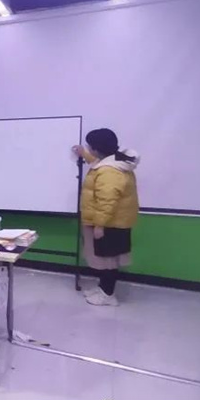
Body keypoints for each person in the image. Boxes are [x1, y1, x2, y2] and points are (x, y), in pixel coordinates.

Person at [73, 128, 140, 306]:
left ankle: (108, 295)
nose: (89, 148)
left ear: (97, 149)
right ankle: (103, 288)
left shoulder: (109, 171)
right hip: (114, 221)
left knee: (109, 261)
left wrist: (99, 225)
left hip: (110, 223)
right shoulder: (114, 161)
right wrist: (84, 154)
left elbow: (107, 201)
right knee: (105, 259)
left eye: (89, 146)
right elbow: (97, 162)